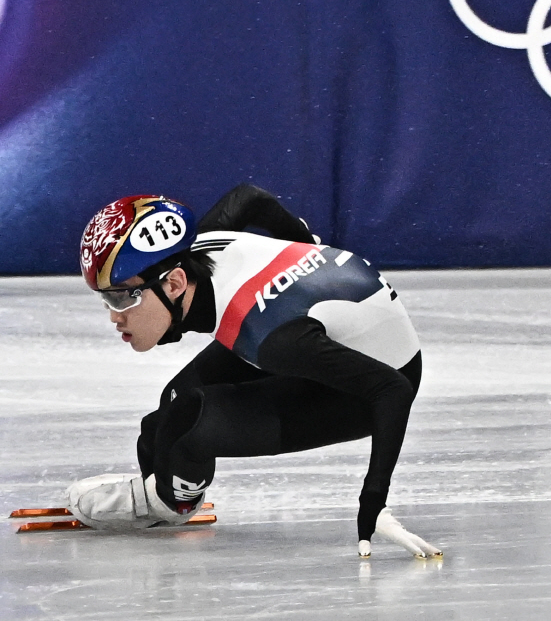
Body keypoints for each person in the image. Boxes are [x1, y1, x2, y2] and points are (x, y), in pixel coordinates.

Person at [70, 183, 440, 558]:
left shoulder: (272, 337)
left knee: (187, 424)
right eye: (106, 299)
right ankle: (168, 484)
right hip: (316, 327)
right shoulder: (203, 245)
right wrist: (304, 243)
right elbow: (246, 199)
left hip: (365, 386)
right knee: (168, 408)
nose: (115, 315)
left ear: (176, 283)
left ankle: (168, 504)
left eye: (122, 296)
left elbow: (392, 389)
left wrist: (374, 500)